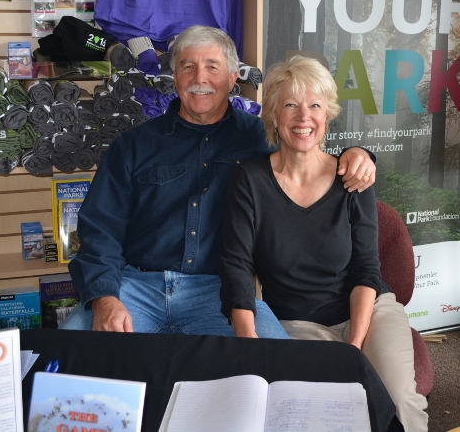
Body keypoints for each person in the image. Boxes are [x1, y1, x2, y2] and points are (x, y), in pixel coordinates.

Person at [61, 26, 376, 336]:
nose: (200, 78)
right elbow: (100, 228)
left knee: (276, 360)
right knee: (68, 360)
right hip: (134, 288)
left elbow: (308, 151)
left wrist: (359, 154)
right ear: (175, 78)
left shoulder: (259, 137)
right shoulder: (132, 146)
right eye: (188, 67)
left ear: (232, 76)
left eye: (212, 66)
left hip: (218, 292)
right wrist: (105, 299)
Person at [219, 55, 429, 431]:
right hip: (297, 321)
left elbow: (367, 269)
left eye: (315, 105)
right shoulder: (249, 181)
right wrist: (248, 342)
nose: (304, 117)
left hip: (369, 311)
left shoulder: (353, 176)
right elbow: (236, 267)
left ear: (327, 113)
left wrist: (356, 345)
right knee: (321, 411)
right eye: (291, 105)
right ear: (273, 116)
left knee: (398, 399)